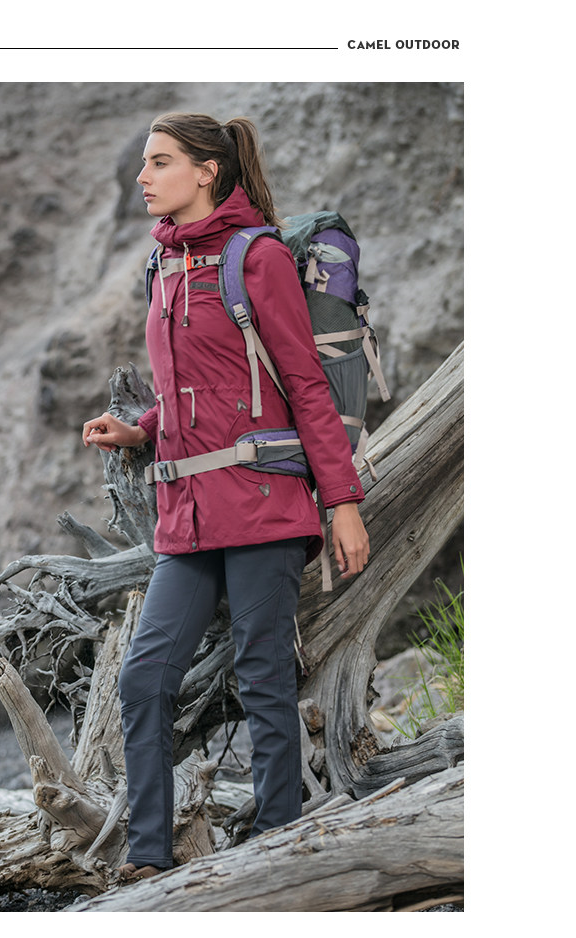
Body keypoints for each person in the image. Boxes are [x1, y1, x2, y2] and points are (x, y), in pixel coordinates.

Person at [82, 112, 369, 881]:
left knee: (263, 676)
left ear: (207, 170)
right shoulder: (164, 263)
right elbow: (196, 386)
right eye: (145, 163)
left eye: (160, 161)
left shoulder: (258, 257)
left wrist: (342, 502)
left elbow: (303, 384)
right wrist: (141, 429)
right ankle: (150, 859)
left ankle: (276, 847)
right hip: (188, 513)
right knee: (144, 678)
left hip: (263, 500)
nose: (143, 176)